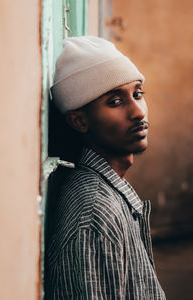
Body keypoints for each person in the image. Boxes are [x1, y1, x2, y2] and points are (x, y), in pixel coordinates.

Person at [45, 36, 166, 299]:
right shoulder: (96, 214)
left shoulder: (107, 193)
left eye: (137, 94)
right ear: (79, 121)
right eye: (115, 102)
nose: (138, 112)